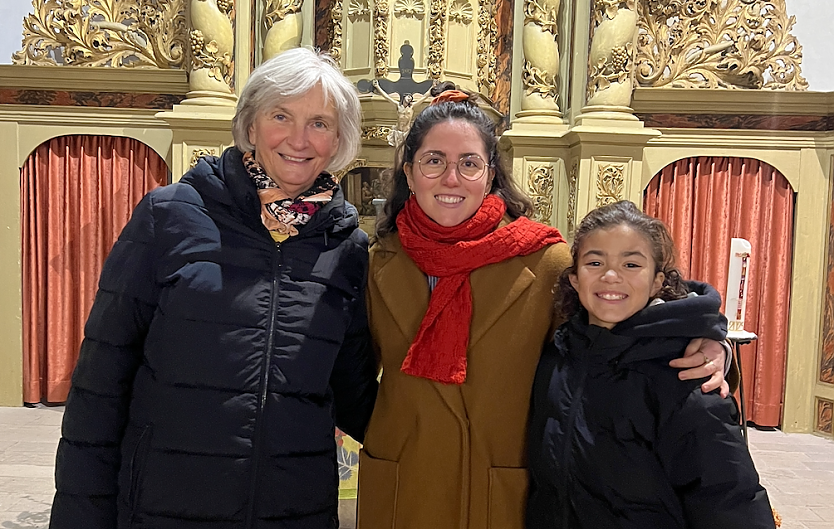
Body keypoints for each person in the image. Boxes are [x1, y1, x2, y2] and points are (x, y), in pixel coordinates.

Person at [356, 83, 730, 529]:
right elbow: (350, 372)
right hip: (406, 484)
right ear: (410, 172)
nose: (451, 178)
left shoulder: (544, 260)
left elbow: (616, 333)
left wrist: (708, 342)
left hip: (498, 487)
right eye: (434, 160)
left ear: (491, 174)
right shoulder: (380, 258)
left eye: (469, 163)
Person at [49, 47, 378, 529]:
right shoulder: (169, 216)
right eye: (281, 115)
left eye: (320, 123)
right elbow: (101, 385)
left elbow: (355, 394)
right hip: (168, 505)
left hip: (294, 510)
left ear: (339, 142)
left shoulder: (346, 248)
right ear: (250, 125)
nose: (299, 139)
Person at [527, 201, 774, 529]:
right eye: (595, 261)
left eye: (631, 264)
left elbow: (729, 499)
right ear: (574, 278)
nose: (611, 276)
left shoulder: (686, 371)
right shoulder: (558, 355)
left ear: (657, 281)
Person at [372, 79, 433, 149]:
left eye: (411, 98)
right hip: (398, 132)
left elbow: (424, 97)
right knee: (398, 152)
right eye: (409, 97)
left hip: (406, 132)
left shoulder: (412, 107)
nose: (410, 99)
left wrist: (432, 87)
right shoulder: (398, 105)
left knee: (405, 152)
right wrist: (378, 87)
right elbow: (387, 97)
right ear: (404, 97)